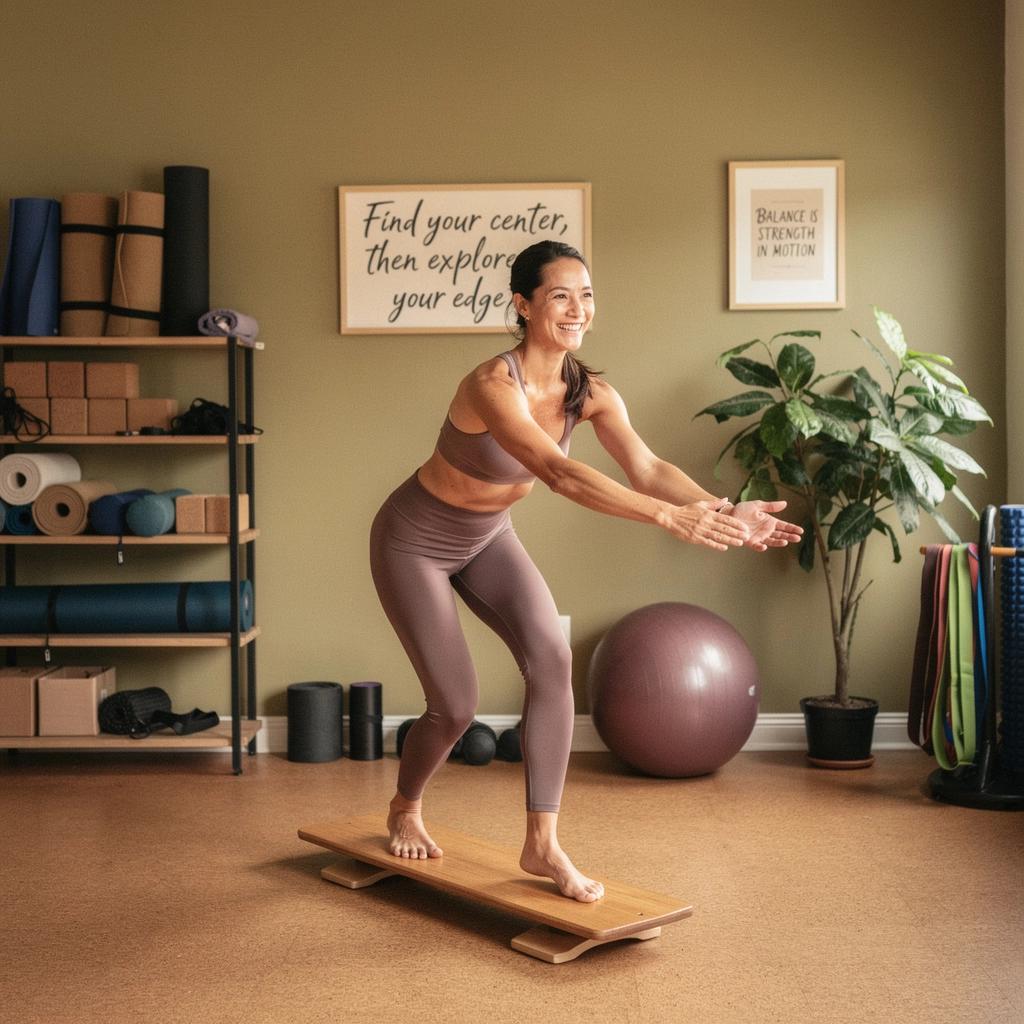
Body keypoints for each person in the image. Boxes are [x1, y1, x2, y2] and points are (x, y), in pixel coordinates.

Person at [369, 240, 802, 903]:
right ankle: (405, 805)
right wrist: (667, 519)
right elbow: (559, 472)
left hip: (488, 537)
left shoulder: (590, 393)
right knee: (455, 705)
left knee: (553, 660)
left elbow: (650, 469)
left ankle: (541, 843)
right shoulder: (491, 385)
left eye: (587, 294)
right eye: (560, 295)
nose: (578, 309)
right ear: (523, 304)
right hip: (414, 541)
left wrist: (722, 508)